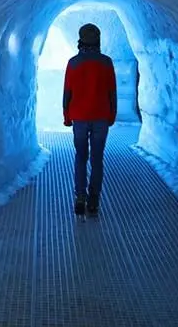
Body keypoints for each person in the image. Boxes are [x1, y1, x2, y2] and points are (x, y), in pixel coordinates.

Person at [63, 23, 117, 216]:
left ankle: (80, 196)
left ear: (80, 40)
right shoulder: (107, 62)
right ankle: (94, 199)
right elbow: (112, 92)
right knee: (97, 159)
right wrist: (112, 115)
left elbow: (67, 93)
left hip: (79, 117)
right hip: (101, 116)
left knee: (80, 157)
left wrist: (67, 116)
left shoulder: (73, 63)